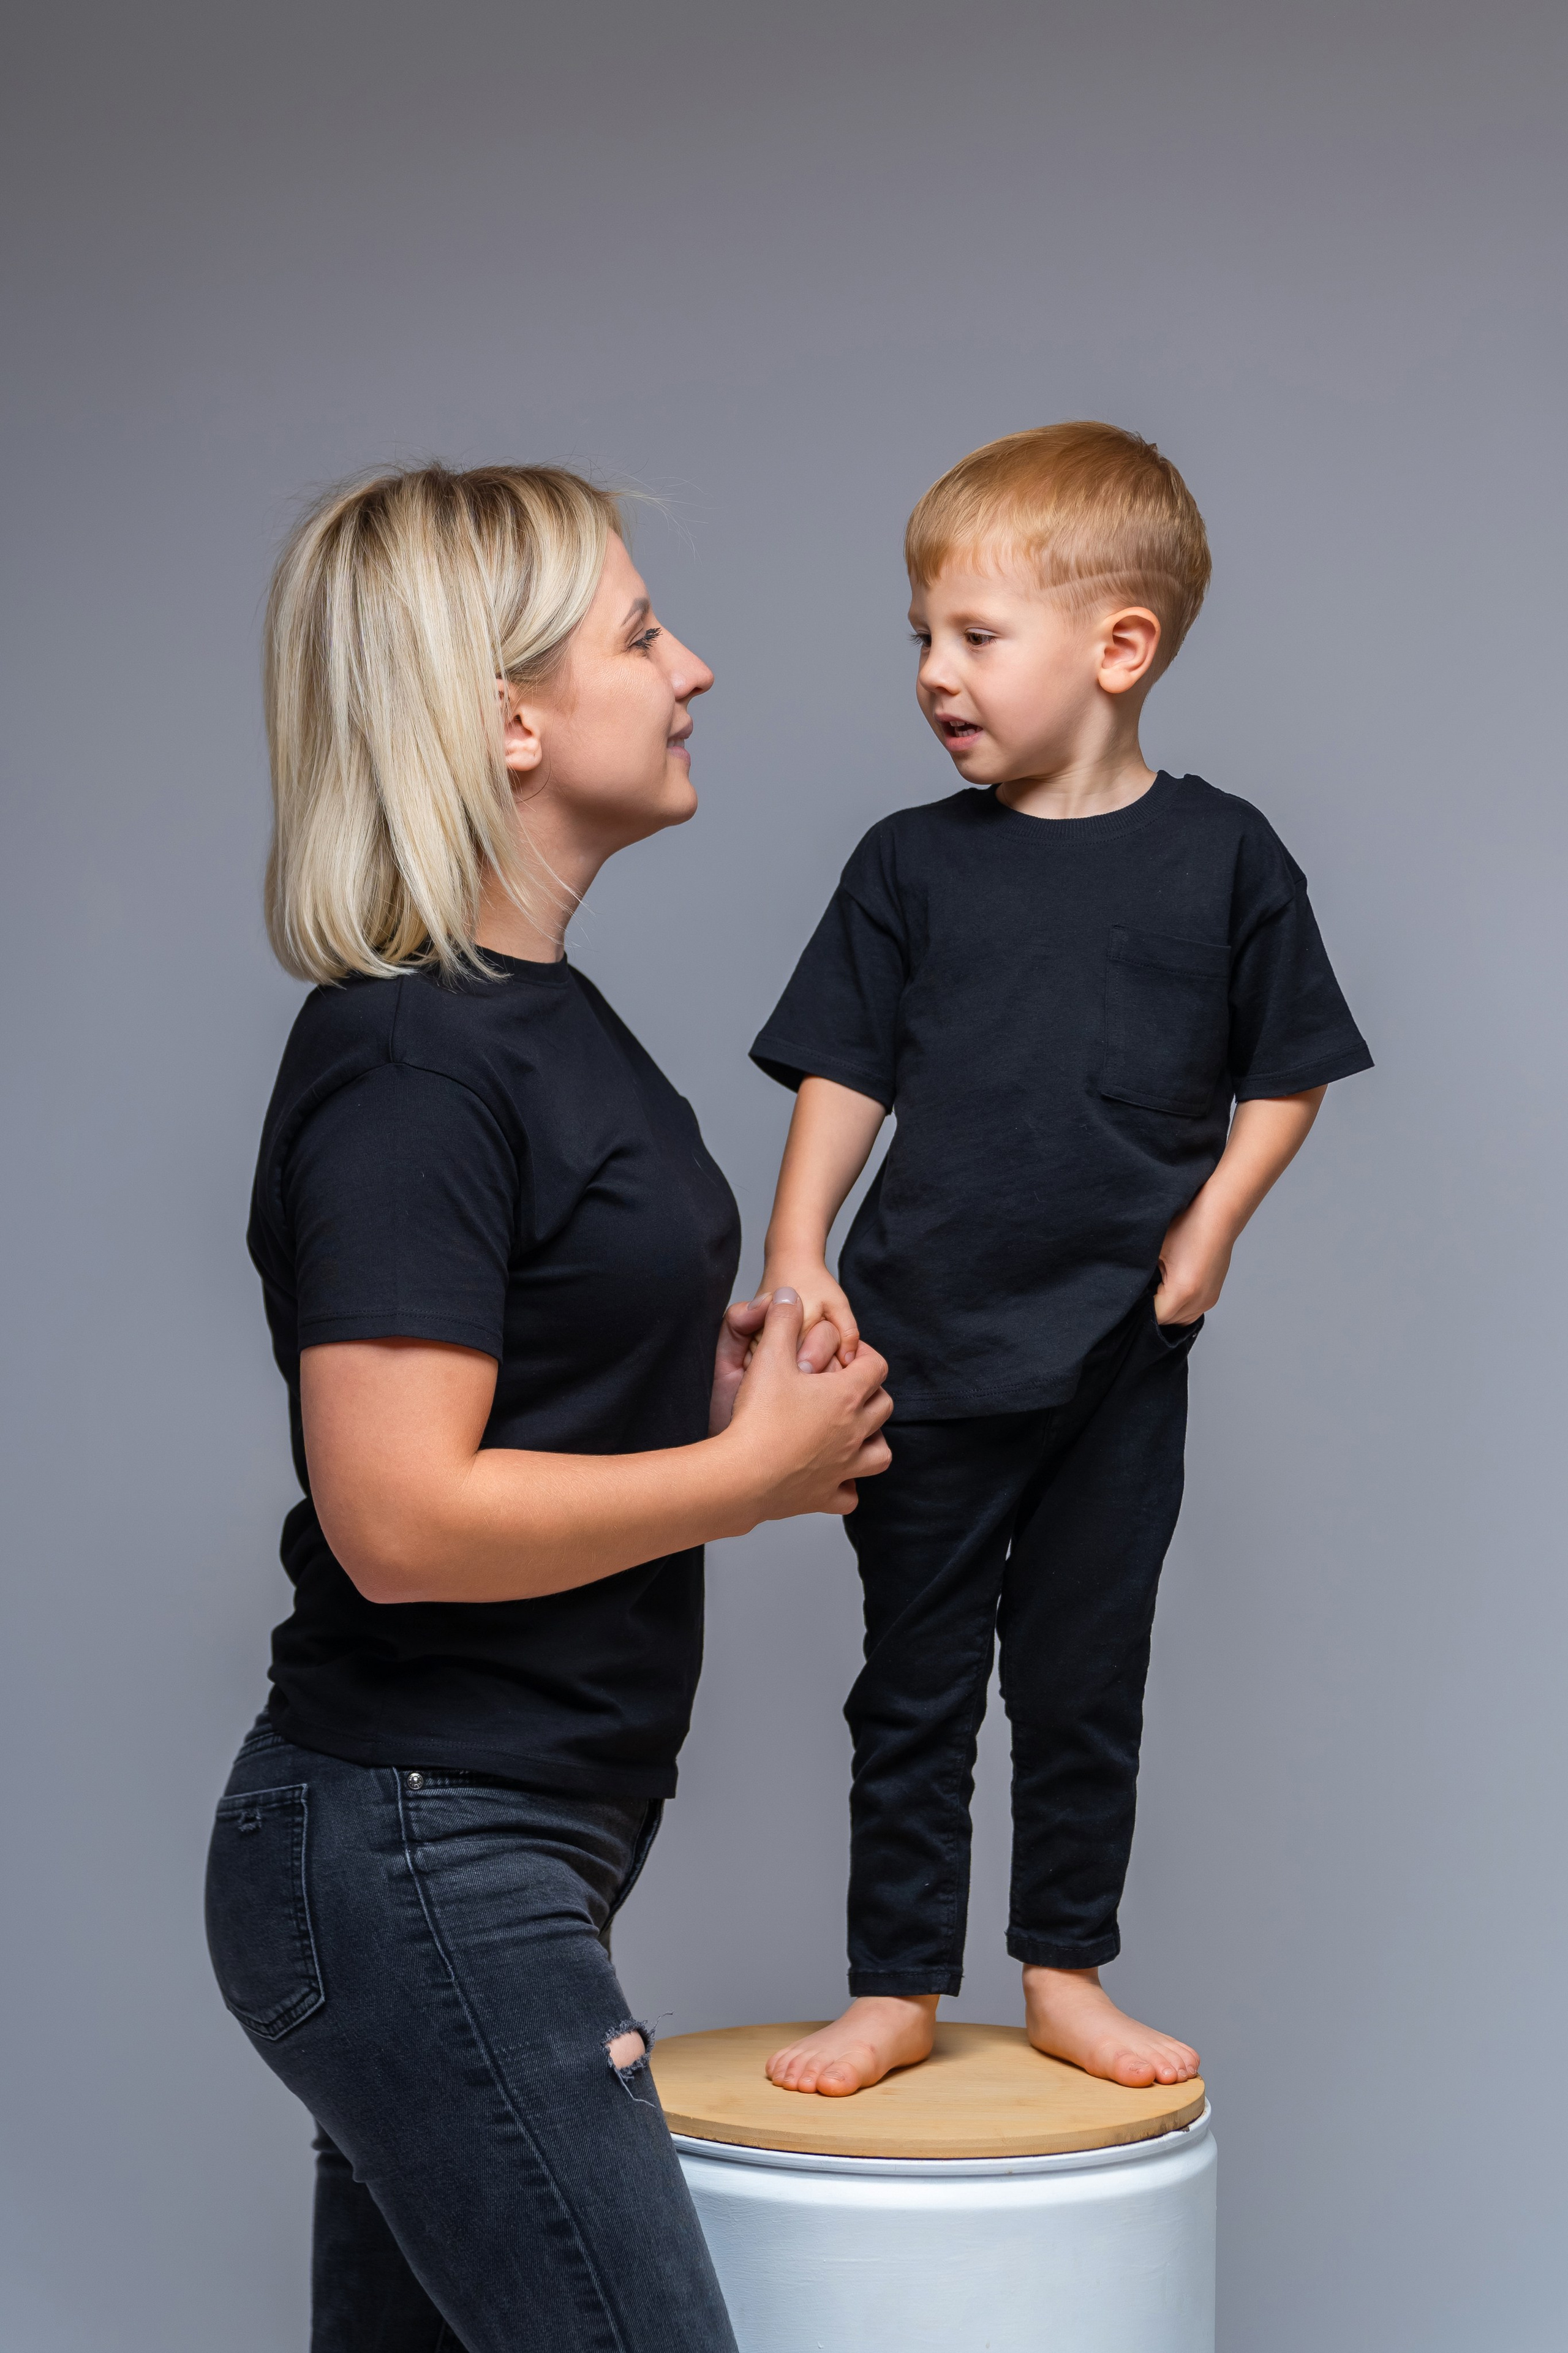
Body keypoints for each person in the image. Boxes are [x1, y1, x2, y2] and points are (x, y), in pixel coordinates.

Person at [203, 463, 892, 2352]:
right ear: (509, 716)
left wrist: (698, 1379)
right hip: (421, 1848)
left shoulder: (536, 1019)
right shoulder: (413, 1059)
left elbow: (529, 1371)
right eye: (642, 632)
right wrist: (742, 1475)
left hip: (480, 1846)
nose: (696, 667)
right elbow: (399, 1517)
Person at [748, 422, 1372, 2100]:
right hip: (927, 1346)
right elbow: (845, 1068)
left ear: (1120, 646)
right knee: (915, 1685)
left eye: (975, 635)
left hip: (1116, 1357)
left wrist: (1211, 1224)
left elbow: (1290, 1069)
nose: (934, 674)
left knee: (1085, 1678)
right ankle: (895, 1983)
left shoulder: (1227, 854)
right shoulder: (908, 861)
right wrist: (799, 1242)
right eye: (922, 639)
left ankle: (1063, 1970)